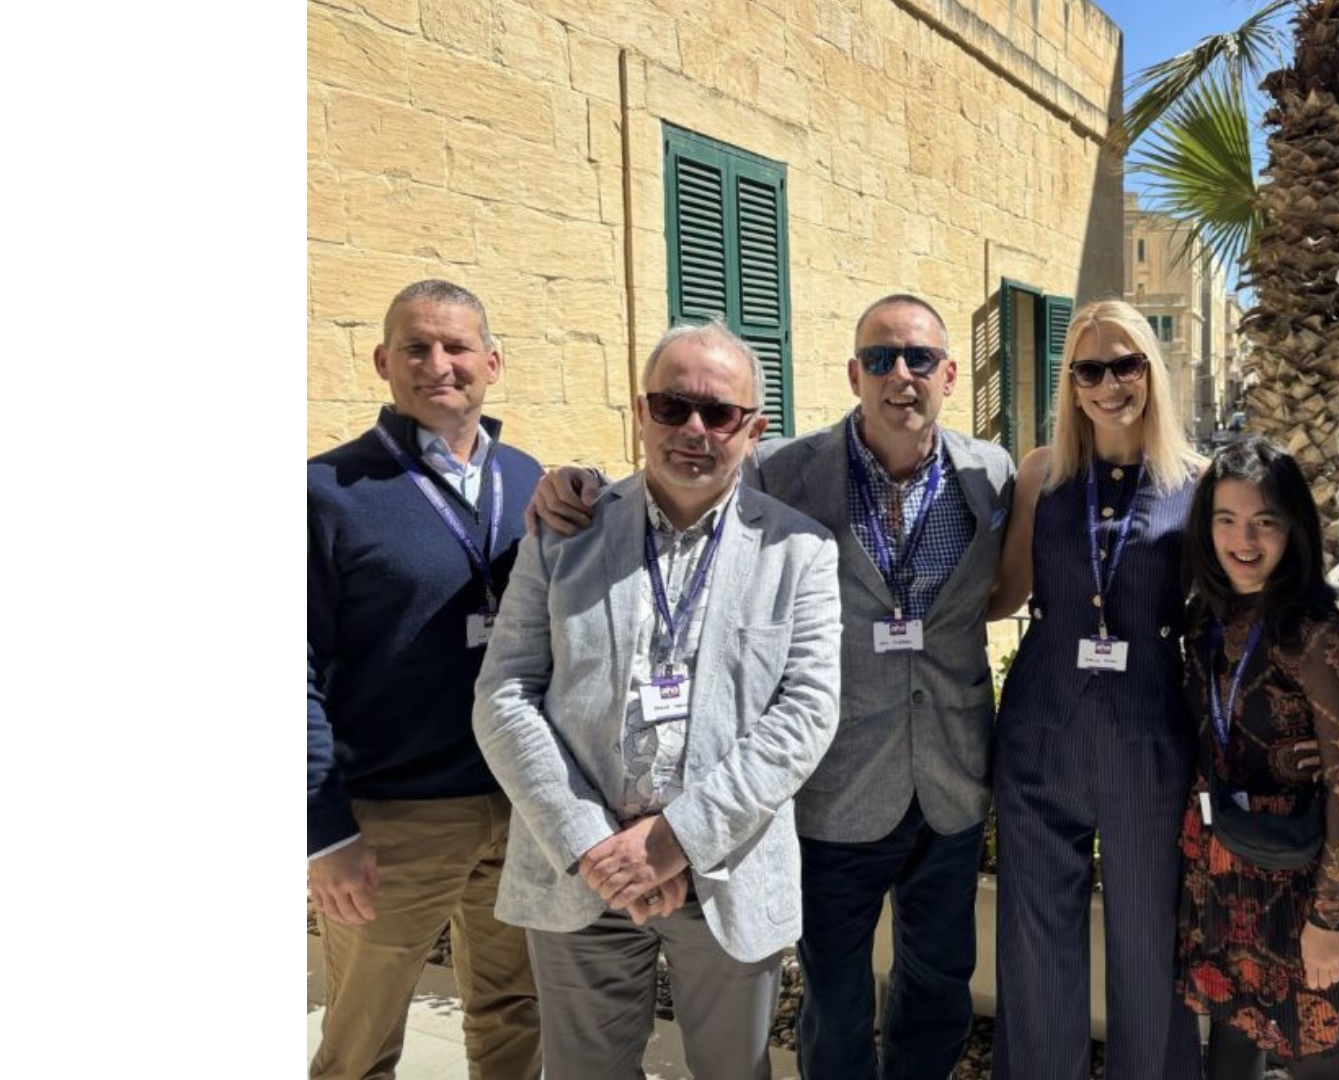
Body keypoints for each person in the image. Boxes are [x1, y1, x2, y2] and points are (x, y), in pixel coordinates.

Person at [530, 294, 1015, 1080]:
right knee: (835, 991)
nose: (900, 374)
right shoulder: (783, 468)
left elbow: (1002, 587)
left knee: (940, 978)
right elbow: (685, 472)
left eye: (919, 358)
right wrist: (575, 482)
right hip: (836, 787)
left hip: (952, 779)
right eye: (881, 358)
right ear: (854, 374)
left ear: (950, 375)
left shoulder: (990, 475)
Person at [471, 320, 843, 1080]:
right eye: (673, 406)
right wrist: (592, 845)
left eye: (720, 413)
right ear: (641, 412)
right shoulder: (561, 533)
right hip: (580, 872)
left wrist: (675, 839)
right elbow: (504, 693)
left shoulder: (801, 551)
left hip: (725, 872)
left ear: (754, 430)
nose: (694, 430)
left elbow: (806, 713)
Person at [307, 279, 542, 1080]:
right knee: (361, 1043)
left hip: (519, 805)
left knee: (514, 1018)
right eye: (416, 347)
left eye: (456, 346)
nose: (438, 364)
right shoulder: (324, 493)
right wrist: (324, 835)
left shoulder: (527, 478)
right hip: (392, 821)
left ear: (492, 363)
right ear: (383, 362)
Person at [984, 299, 1208, 1080]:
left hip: (1150, 732)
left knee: (1150, 941)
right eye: (1091, 370)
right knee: (1036, 943)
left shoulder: (1196, 482)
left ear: (1151, 371)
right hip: (1041, 730)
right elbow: (1005, 592)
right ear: (1072, 384)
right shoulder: (1040, 474)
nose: (1110, 384)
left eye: (1126, 365)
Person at [1174, 438, 1339, 1080]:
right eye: (1227, 519)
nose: (1244, 540)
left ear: (1293, 527)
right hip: (1225, 876)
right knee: (1231, 1052)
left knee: (1318, 1059)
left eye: (1265, 521)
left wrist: (1328, 917)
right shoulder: (1204, 623)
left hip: (1304, 882)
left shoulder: (1317, 636)